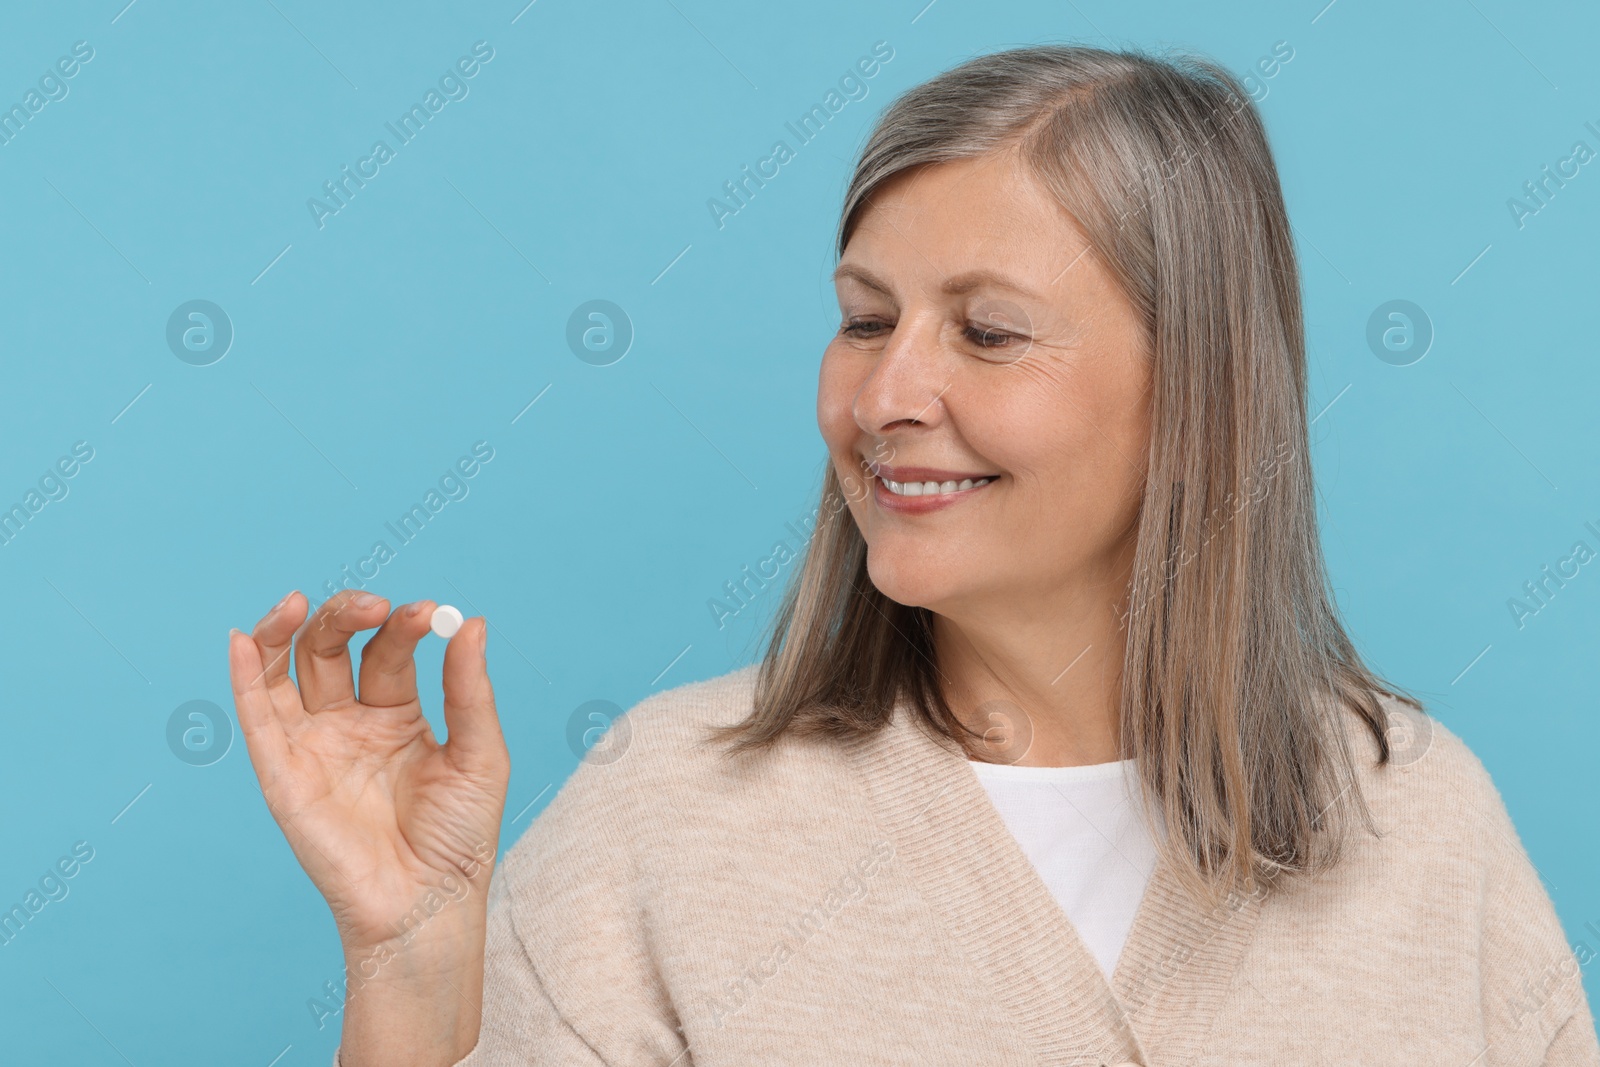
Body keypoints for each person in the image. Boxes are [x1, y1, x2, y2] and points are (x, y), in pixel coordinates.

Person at [227, 43, 1600, 1066]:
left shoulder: (1418, 822)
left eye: (987, 333)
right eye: (867, 319)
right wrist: (408, 963)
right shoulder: (664, 819)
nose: (886, 396)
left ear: (1199, 387)